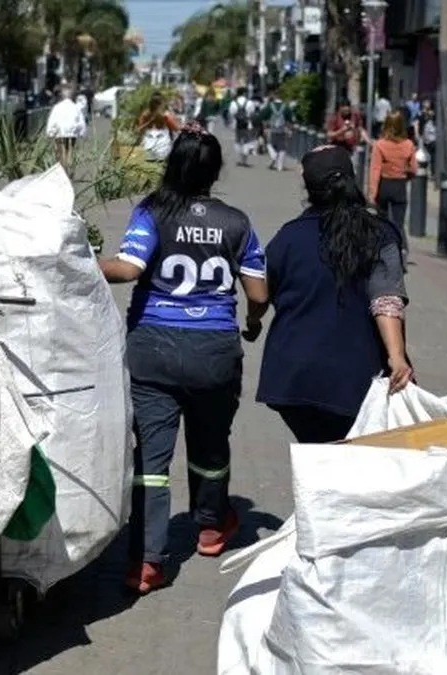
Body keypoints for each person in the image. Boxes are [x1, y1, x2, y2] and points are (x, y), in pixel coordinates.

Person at [97, 123, 269, 595]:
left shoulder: (153, 211)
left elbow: (128, 268)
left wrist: (81, 261)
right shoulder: (236, 222)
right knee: (211, 444)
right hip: (214, 349)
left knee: (151, 458)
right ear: (215, 171)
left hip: (152, 347)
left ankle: (146, 562)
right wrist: (253, 322)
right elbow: (258, 292)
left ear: (172, 164)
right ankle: (211, 527)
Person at [252, 145, 412, 443]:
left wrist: (252, 321)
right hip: (355, 378)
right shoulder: (380, 233)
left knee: (317, 450)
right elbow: (385, 299)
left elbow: (262, 293)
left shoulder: (288, 237)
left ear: (308, 188)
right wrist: (397, 357)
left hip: (292, 377)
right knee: (348, 456)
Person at [368, 111, 418, 260]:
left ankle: (381, 251)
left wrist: (372, 193)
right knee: (398, 223)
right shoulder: (408, 145)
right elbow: (414, 169)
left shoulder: (380, 145)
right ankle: (401, 250)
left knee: (381, 221)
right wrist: (406, 175)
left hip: (384, 184)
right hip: (400, 186)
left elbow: (375, 170)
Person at [45, 85, 87, 170]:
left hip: (60, 133)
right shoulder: (75, 107)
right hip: (72, 133)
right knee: (70, 151)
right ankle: (69, 168)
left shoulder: (57, 107)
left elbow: (52, 120)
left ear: (61, 95)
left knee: (61, 153)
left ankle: (63, 169)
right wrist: (82, 133)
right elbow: (81, 121)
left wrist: (50, 132)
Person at [325, 101, 369, 173]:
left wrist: (369, 142)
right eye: (345, 111)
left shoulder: (355, 116)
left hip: (351, 150)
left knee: (352, 171)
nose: (347, 112)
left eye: (348, 110)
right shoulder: (335, 117)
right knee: (338, 172)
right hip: (337, 151)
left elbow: (360, 129)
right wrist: (341, 131)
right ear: (340, 108)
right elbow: (329, 135)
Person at [136, 91, 180, 161]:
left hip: (154, 144)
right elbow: (176, 128)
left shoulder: (163, 115)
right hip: (157, 144)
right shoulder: (162, 115)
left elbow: (139, 130)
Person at [260, 92, 294, 172]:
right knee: (282, 147)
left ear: (275, 97)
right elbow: (290, 120)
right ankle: (280, 166)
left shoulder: (269, 106)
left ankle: (274, 155)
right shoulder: (286, 107)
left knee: (269, 144)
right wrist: (290, 130)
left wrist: (264, 127)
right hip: (282, 129)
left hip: (271, 129)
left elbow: (262, 116)